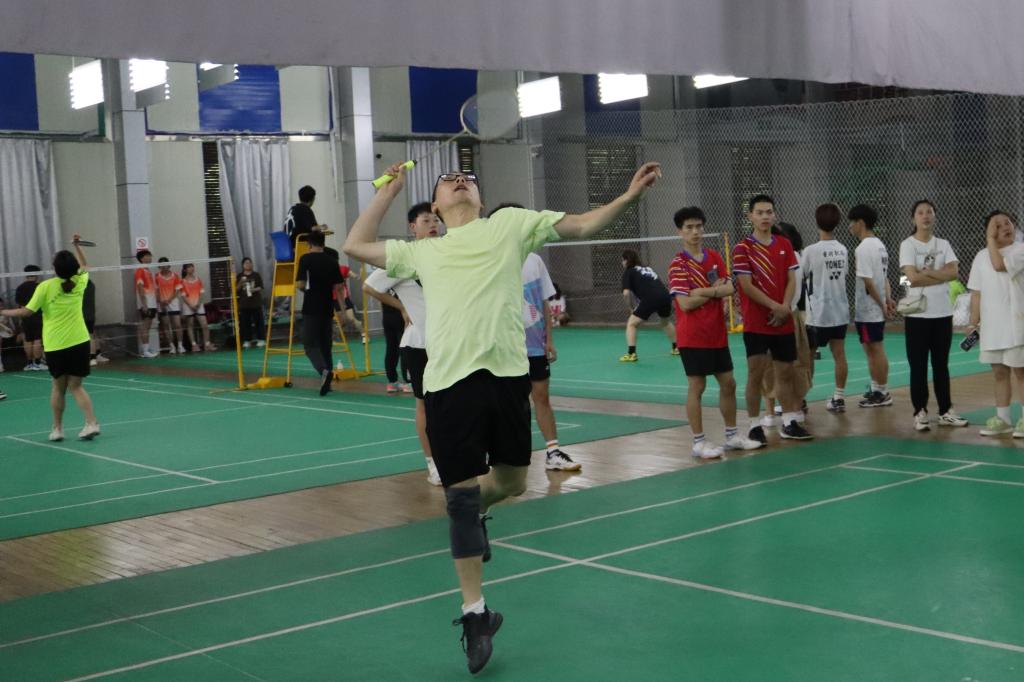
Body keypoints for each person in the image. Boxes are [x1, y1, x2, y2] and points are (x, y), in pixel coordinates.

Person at [344, 161, 662, 674]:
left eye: (467, 177)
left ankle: (479, 513)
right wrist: (389, 191)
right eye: (448, 180)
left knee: (512, 481)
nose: (459, 180)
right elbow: (356, 245)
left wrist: (627, 198)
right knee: (460, 499)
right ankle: (476, 613)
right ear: (436, 206)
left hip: (507, 377)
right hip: (448, 384)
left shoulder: (509, 226)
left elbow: (582, 225)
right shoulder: (424, 250)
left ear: (479, 196)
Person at [489, 202, 581, 471]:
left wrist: (549, 339)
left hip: (534, 346)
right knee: (503, 403)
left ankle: (553, 452)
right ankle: (498, 455)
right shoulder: (489, 261)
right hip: (502, 348)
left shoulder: (534, 260)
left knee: (541, 396)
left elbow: (543, 302)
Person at [668, 206, 763, 458]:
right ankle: (699, 443)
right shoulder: (678, 264)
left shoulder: (714, 257)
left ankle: (732, 436)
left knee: (728, 383)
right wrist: (714, 292)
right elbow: (685, 303)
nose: (695, 232)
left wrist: (702, 291)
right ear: (680, 231)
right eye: (689, 227)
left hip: (717, 335)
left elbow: (729, 288)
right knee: (697, 386)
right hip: (692, 336)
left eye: (698, 226)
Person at [363, 201, 442, 485]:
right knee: (425, 405)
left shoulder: (446, 253)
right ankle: (433, 464)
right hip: (418, 345)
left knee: (457, 402)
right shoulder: (403, 258)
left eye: (435, 220)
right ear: (413, 227)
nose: (433, 225)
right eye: (426, 221)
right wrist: (401, 306)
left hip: (449, 342)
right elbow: (369, 286)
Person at [732, 194, 813, 443]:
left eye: (769, 212)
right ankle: (754, 425)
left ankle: (789, 422)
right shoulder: (742, 249)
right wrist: (774, 307)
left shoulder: (784, 245)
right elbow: (746, 285)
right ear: (750, 216)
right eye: (760, 212)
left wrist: (785, 307)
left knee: (785, 372)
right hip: (757, 323)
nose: (765, 216)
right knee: (755, 375)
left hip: (783, 322)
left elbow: (792, 279)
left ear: (774, 215)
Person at [1, 237, 99, 440]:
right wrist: (77, 246)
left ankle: (57, 429)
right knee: (76, 386)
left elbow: (26, 312)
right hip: (80, 342)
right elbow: (85, 266)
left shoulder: (45, 286)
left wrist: (3, 312)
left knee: (58, 387)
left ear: (55, 268)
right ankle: (91, 423)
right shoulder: (79, 281)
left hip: (56, 345)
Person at [899, 200, 968, 431]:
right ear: (913, 218)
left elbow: (954, 272)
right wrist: (940, 275)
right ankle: (920, 412)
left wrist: (928, 274)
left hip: (942, 314)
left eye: (929, 212)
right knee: (918, 366)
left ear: (935, 216)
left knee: (941, 365)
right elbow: (911, 278)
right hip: (917, 316)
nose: (925, 216)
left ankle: (945, 411)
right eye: (920, 212)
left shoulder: (944, 244)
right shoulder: (907, 245)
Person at [967, 211, 1024, 437]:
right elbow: (976, 293)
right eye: (997, 225)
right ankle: (1003, 420)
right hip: (992, 328)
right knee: (999, 373)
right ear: (989, 230)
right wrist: (973, 323)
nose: (1005, 227)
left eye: (1007, 223)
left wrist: (990, 239)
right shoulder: (980, 256)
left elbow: (999, 265)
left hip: (1017, 326)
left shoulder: (1020, 250)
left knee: (1021, 372)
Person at [801, 205, 850, 413]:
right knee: (839, 353)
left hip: (817, 314)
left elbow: (801, 276)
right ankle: (839, 397)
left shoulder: (810, 251)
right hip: (839, 311)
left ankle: (801, 399)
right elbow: (844, 274)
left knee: (808, 355)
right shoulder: (843, 249)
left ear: (817, 222)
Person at [849, 204, 895, 408]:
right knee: (873, 349)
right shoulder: (880, 245)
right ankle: (877, 388)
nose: (850, 226)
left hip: (869, 310)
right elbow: (884, 277)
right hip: (875, 307)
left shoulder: (863, 248)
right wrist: (887, 299)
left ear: (860, 223)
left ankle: (882, 392)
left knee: (874, 349)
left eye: (852, 222)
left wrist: (882, 304)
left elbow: (869, 282)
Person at [296, 231, 344, 396]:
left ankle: (324, 371)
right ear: (323, 243)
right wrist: (342, 311)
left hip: (311, 307)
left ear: (309, 244)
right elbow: (339, 287)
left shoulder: (305, 259)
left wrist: (305, 289)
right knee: (325, 345)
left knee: (310, 344)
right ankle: (327, 382)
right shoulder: (332, 261)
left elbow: (301, 284)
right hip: (327, 307)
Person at [619, 249, 676, 361]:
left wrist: (630, 308)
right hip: (665, 296)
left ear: (626, 260)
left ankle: (631, 354)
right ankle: (676, 348)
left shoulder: (629, 271)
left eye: (622, 260)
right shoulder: (648, 268)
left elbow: (626, 293)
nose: (622, 263)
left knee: (632, 324)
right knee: (665, 322)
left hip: (651, 298)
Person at [180, 264, 216, 352]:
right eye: (189, 267)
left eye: (192, 267)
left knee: (204, 325)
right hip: (188, 306)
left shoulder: (198, 279)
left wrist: (198, 304)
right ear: (185, 270)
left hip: (198, 305)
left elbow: (201, 293)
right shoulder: (182, 281)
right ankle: (194, 345)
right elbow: (183, 296)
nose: (191, 268)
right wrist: (191, 305)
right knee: (190, 325)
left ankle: (207, 344)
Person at [16, 265, 45, 371]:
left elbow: (20, 305)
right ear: (37, 274)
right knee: (37, 340)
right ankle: (37, 363)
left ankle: (29, 364)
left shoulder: (20, 288)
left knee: (27, 340)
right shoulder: (40, 287)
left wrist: (21, 317)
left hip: (25, 316)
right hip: (38, 316)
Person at [155, 257, 185, 354]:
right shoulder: (156, 276)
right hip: (162, 303)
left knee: (177, 324)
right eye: (162, 265)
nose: (164, 266)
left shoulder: (175, 276)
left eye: (165, 264)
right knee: (166, 325)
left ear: (169, 265)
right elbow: (156, 291)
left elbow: (177, 291)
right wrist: (160, 302)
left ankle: (180, 345)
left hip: (173, 303)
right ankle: (172, 346)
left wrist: (169, 300)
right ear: (159, 266)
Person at [133, 250, 159, 358]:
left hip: (152, 303)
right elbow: (140, 287)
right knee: (145, 326)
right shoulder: (140, 270)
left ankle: (146, 349)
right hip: (146, 303)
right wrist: (144, 304)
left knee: (147, 327)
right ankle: (145, 351)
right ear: (142, 258)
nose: (150, 257)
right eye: (148, 256)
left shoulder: (148, 271)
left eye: (150, 255)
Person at [237, 257, 266, 348]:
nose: (248, 264)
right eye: (246, 263)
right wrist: (241, 282)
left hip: (256, 303)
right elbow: (236, 289)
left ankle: (261, 339)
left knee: (259, 322)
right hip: (244, 304)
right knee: (245, 323)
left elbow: (261, 287)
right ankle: (247, 340)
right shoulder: (239, 276)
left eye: (250, 263)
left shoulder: (256, 275)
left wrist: (254, 290)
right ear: (242, 265)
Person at [284, 185, 325, 249]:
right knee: (333, 253)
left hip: (287, 247)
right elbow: (313, 228)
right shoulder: (305, 209)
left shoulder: (293, 208)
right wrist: (322, 227)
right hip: (299, 246)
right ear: (312, 199)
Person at [82, 278, 108, 366]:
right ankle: (97, 355)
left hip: (85, 315)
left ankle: (92, 358)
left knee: (90, 336)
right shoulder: (91, 284)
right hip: (90, 315)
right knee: (93, 333)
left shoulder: (83, 286)